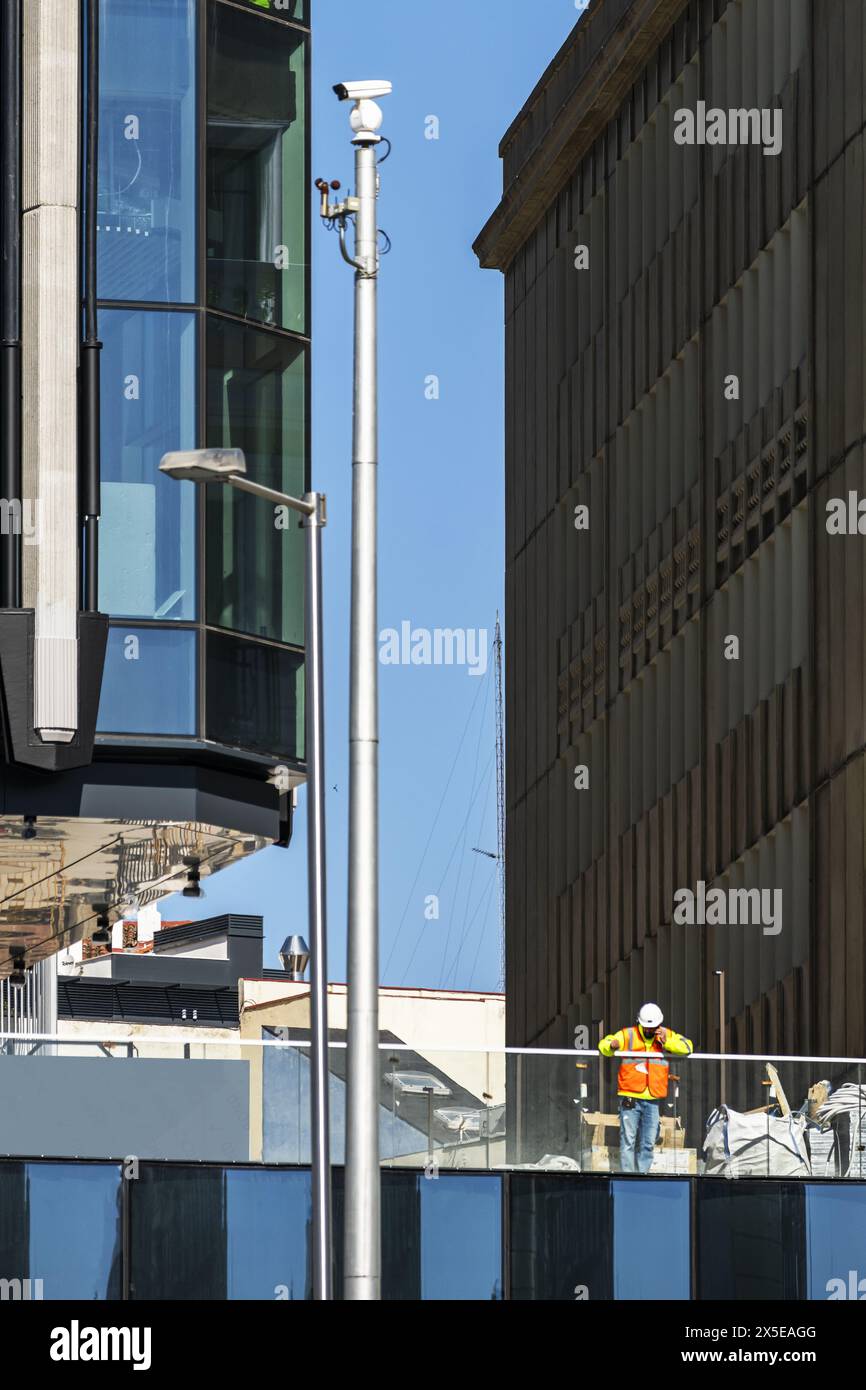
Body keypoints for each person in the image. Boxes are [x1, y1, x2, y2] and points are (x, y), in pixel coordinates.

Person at [598, 1004, 693, 1174]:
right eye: (647, 1027)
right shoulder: (628, 1035)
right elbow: (604, 1045)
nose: (650, 1030)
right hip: (630, 1097)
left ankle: (642, 1176)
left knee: (648, 1142)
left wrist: (667, 1041)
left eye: (653, 1027)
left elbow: (687, 1048)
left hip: (653, 1099)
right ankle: (629, 1176)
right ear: (640, 1024)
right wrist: (611, 1046)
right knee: (628, 1140)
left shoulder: (665, 1035)